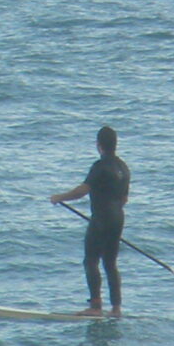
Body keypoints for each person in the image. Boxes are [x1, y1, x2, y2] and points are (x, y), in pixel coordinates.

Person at [51, 127, 131, 316]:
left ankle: (95, 307)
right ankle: (116, 308)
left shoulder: (100, 166)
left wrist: (60, 197)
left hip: (101, 219)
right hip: (118, 218)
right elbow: (124, 199)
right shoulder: (123, 168)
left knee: (91, 261)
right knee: (110, 263)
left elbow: (82, 190)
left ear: (99, 145)